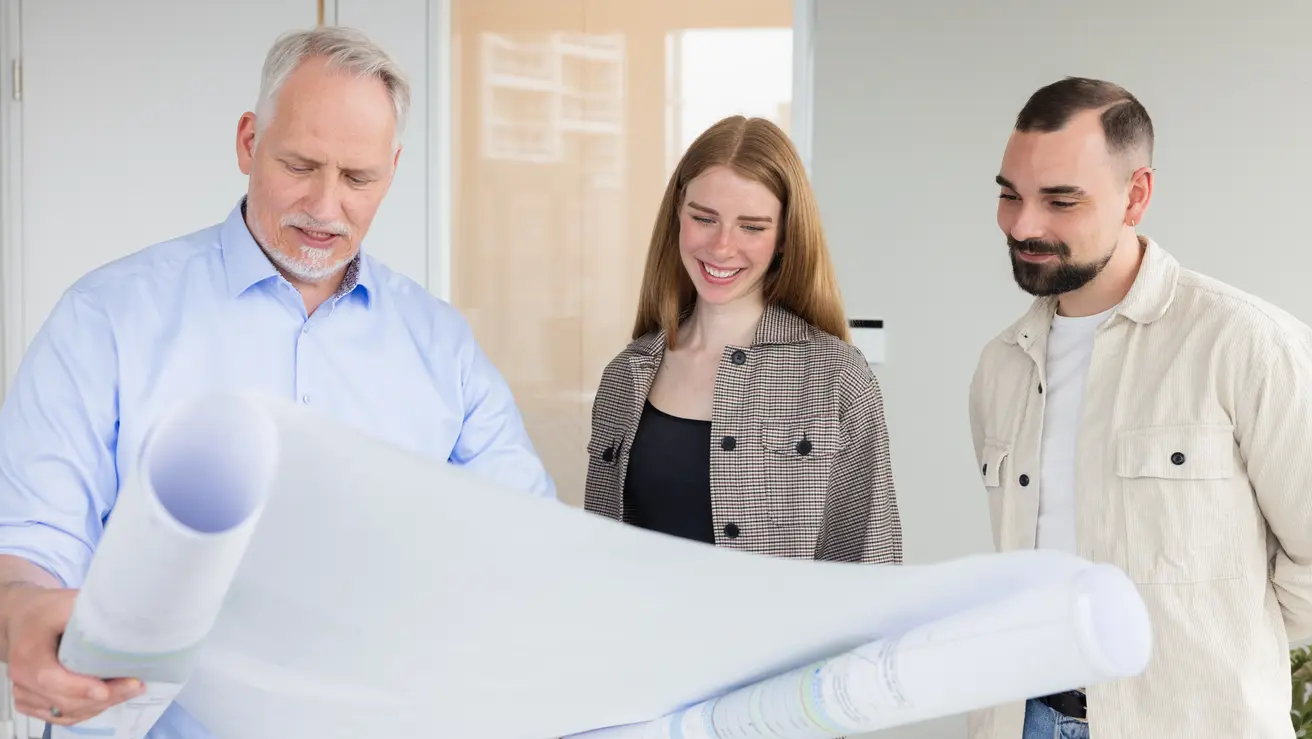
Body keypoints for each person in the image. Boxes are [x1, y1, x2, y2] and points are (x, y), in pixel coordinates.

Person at [0, 26, 553, 737]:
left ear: (392, 170)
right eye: (300, 165)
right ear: (248, 142)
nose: (325, 206)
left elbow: (526, 545)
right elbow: (32, 538)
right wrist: (22, 609)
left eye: (358, 178)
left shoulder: (443, 349)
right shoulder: (105, 318)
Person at [968, 76, 1312, 739]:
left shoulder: (1246, 345)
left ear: (1136, 196)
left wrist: (1223, 636)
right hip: (1024, 718)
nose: (1023, 224)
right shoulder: (1000, 366)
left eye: (1060, 200)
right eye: (1010, 195)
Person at [583, 115, 902, 566]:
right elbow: (599, 561)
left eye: (751, 227)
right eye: (704, 218)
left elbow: (871, 565)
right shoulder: (625, 376)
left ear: (785, 236)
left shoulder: (837, 378)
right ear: (677, 216)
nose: (721, 247)